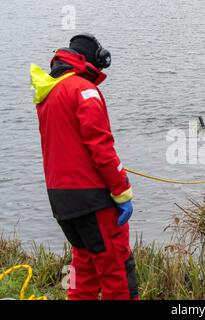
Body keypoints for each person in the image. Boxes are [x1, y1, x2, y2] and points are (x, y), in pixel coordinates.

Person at [30, 33, 138, 300]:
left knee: (84, 267)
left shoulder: (48, 93)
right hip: (92, 198)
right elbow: (101, 147)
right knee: (117, 270)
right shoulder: (84, 90)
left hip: (62, 200)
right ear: (92, 63)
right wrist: (122, 191)